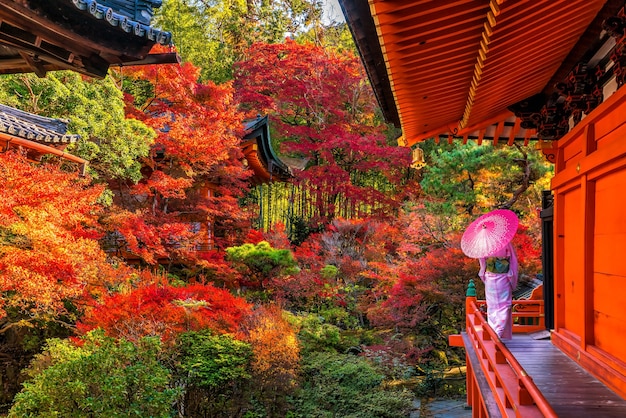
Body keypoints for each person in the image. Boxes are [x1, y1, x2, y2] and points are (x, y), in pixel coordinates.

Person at [478, 241, 518, 340]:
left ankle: (493, 330)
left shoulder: (484, 244)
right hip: (503, 278)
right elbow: (513, 263)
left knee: (492, 306)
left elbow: (483, 265)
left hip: (490, 278)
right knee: (504, 305)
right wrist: (512, 280)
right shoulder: (506, 242)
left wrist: (484, 277)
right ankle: (499, 330)